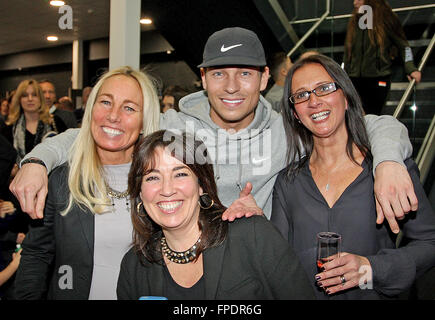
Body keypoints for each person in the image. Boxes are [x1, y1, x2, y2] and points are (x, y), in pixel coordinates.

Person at [11, 27, 416, 233]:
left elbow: (377, 124)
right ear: (202, 78)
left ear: (264, 80)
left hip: (255, 274)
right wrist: (36, 160)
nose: (232, 87)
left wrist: (389, 163)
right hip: (183, 275)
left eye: (244, 73)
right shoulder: (171, 129)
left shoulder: (287, 132)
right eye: (219, 74)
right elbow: (100, 133)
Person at [271, 54, 435, 299]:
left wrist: (371, 269)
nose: (313, 101)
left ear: (345, 97)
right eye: (301, 95)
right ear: (295, 113)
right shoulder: (288, 182)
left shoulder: (386, 171)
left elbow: (429, 243)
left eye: (324, 88)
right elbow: (278, 262)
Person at [14, 66, 160, 300]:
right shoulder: (62, 179)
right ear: (91, 107)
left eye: (129, 108)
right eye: (105, 102)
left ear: (144, 122)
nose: (113, 115)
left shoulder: (160, 182)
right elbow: (37, 255)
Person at [117, 130, 314, 300]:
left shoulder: (252, 235)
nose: (167, 189)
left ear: (201, 185)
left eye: (180, 174)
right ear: (141, 193)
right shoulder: (134, 266)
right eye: (153, 177)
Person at [344, 0, 421, 115]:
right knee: (355, 116)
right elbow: (348, 52)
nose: (355, 3)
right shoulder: (355, 21)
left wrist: (411, 68)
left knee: (372, 116)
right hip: (354, 79)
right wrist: (344, 75)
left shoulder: (385, 19)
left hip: (378, 78)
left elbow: (404, 46)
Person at [0, 79, 62, 164]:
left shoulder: (55, 123)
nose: (30, 99)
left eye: (34, 95)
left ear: (40, 98)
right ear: (19, 100)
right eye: (25, 95)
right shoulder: (9, 129)